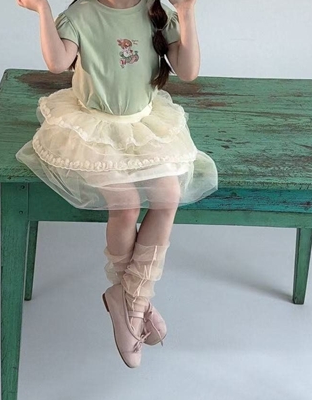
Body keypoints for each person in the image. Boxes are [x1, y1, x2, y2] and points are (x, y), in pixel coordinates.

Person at [16, 0, 218, 368]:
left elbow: (188, 72)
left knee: (169, 195)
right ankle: (136, 303)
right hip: (93, 128)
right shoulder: (81, 14)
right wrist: (42, 9)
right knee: (125, 205)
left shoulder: (157, 12)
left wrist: (187, 12)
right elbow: (57, 63)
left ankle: (128, 299)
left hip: (144, 125)